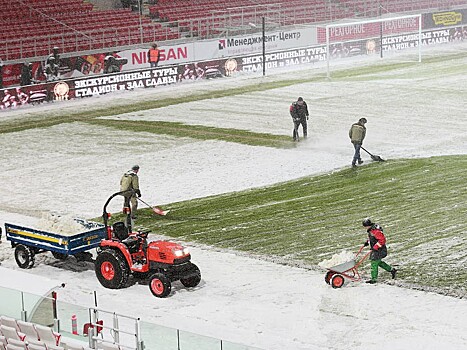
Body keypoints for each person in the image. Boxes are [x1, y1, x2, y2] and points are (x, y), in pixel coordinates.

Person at [362, 218, 397, 284]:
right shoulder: (371, 230)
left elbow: (382, 240)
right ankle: (392, 270)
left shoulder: (375, 231)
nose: (365, 228)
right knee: (378, 262)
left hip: (379, 250)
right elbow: (372, 238)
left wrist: (375, 247)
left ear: (368, 225)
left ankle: (374, 279)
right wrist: (367, 242)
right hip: (376, 249)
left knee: (374, 263)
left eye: (365, 226)